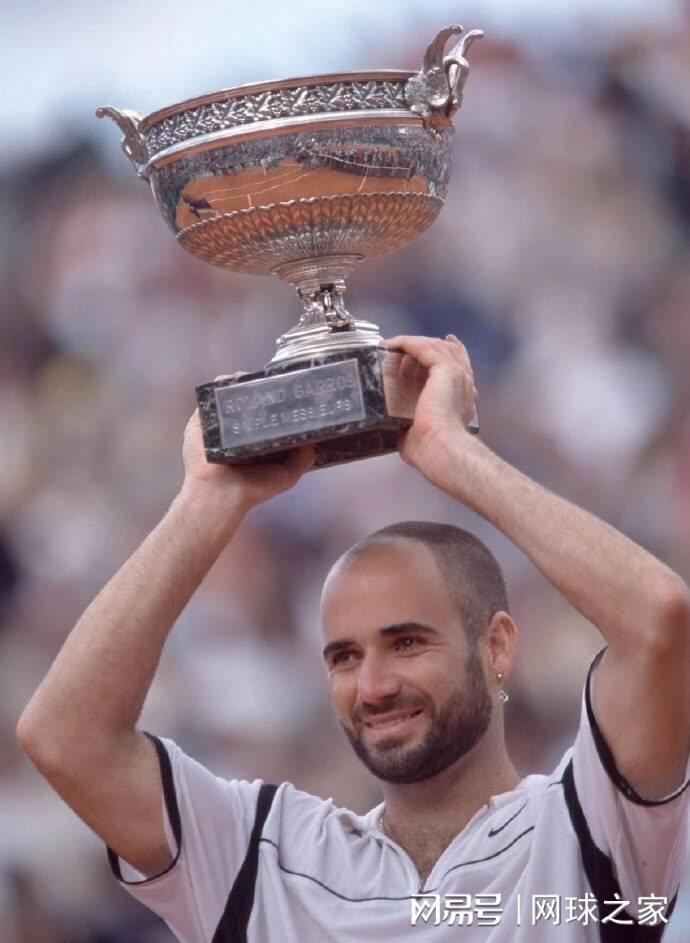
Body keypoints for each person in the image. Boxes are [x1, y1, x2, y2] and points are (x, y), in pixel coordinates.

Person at [17, 335, 690, 942]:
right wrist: (207, 501)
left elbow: (660, 619)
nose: (373, 686)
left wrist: (455, 455)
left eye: (407, 643)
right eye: (344, 656)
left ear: (497, 647)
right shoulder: (259, 858)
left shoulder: (587, 830)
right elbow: (65, 738)